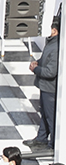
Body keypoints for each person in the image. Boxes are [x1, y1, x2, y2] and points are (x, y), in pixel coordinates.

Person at [24, 17, 60, 150]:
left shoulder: (57, 47)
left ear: (54, 30)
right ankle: (41, 138)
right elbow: (47, 58)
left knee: (51, 116)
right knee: (45, 113)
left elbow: (51, 72)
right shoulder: (51, 41)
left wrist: (36, 69)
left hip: (50, 88)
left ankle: (53, 145)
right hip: (45, 86)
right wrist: (38, 61)